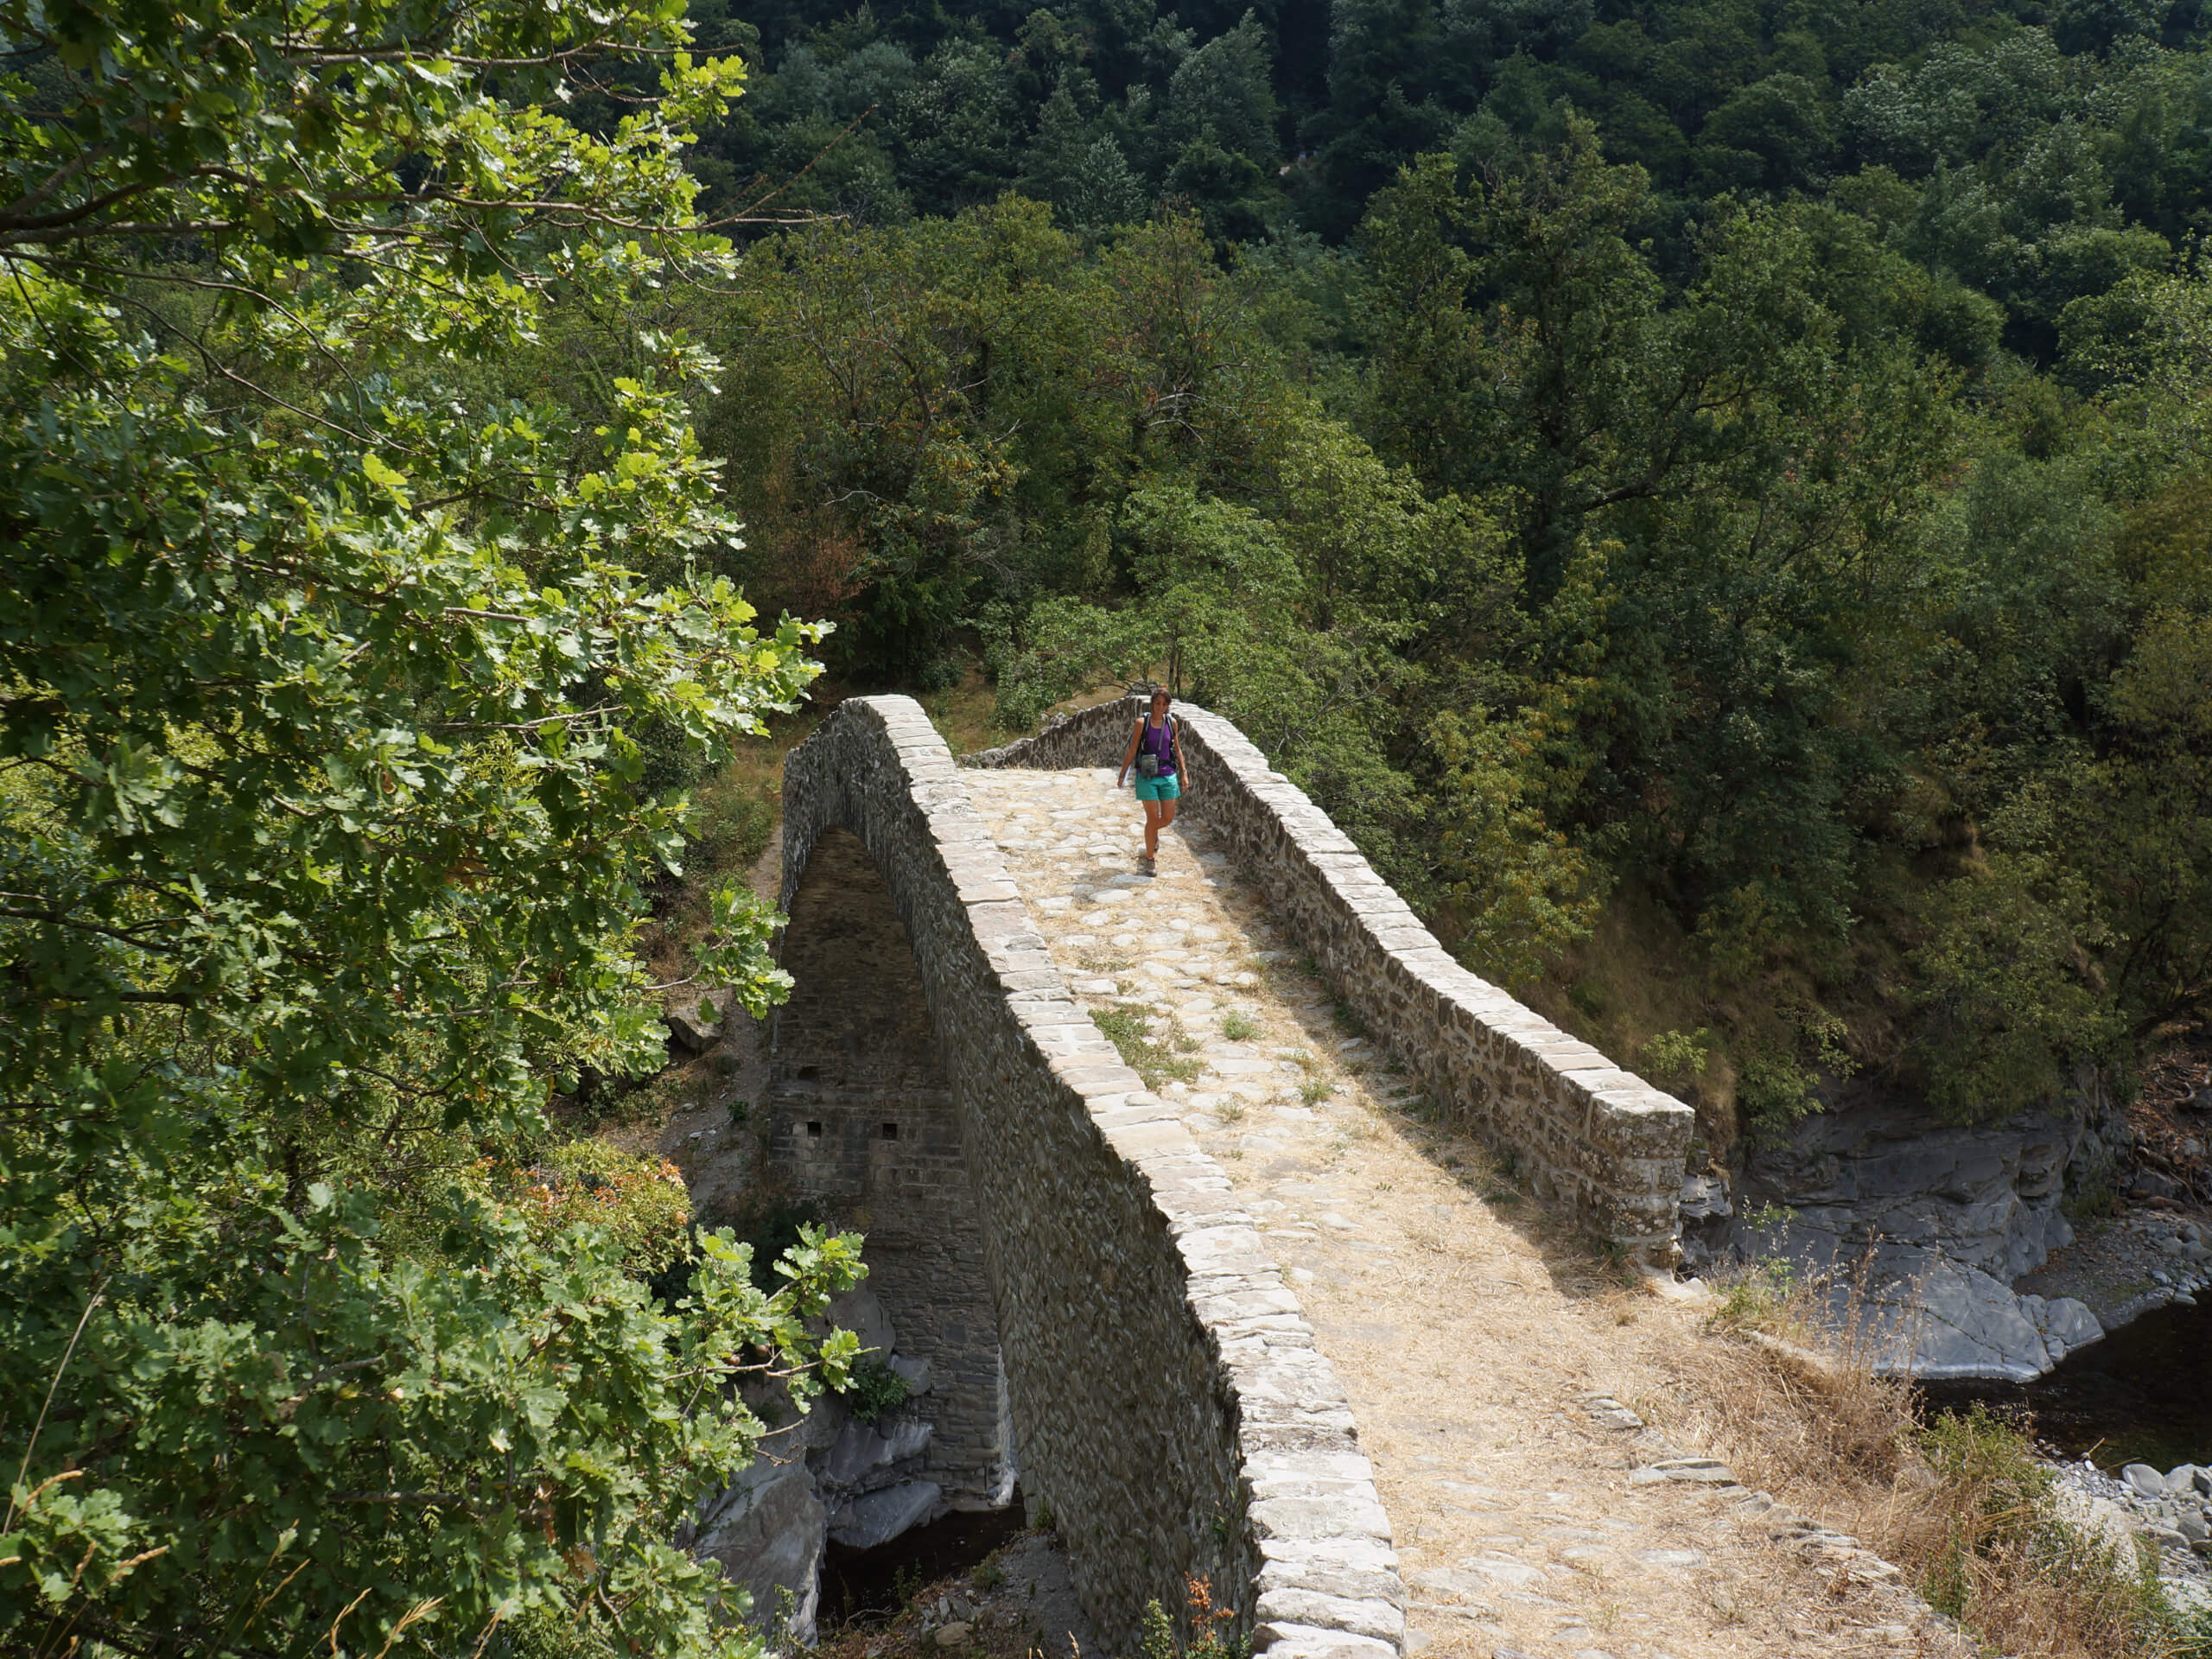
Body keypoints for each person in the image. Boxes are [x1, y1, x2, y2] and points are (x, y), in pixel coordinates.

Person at [1116, 689, 1185, 864]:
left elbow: (1177, 749)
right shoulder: (1142, 723)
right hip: (1146, 776)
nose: (1161, 707)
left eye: (1164, 704)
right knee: (1153, 818)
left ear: (1168, 706)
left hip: (1168, 774)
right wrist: (1123, 773)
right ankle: (1150, 858)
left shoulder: (1172, 723)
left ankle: (1152, 833)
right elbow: (1132, 749)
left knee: (1168, 818)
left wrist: (1184, 773)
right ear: (1152, 703)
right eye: (1158, 703)